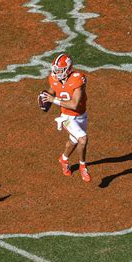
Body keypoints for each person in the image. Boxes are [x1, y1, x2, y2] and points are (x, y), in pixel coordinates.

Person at [41, 54, 91, 182]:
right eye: (55, 70)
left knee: (74, 141)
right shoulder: (53, 79)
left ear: (68, 69)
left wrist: (54, 100)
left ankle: (63, 158)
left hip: (81, 115)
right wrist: (44, 100)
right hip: (66, 117)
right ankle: (82, 166)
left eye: (59, 70)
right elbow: (51, 92)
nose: (56, 73)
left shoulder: (77, 79)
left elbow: (74, 104)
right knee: (83, 140)